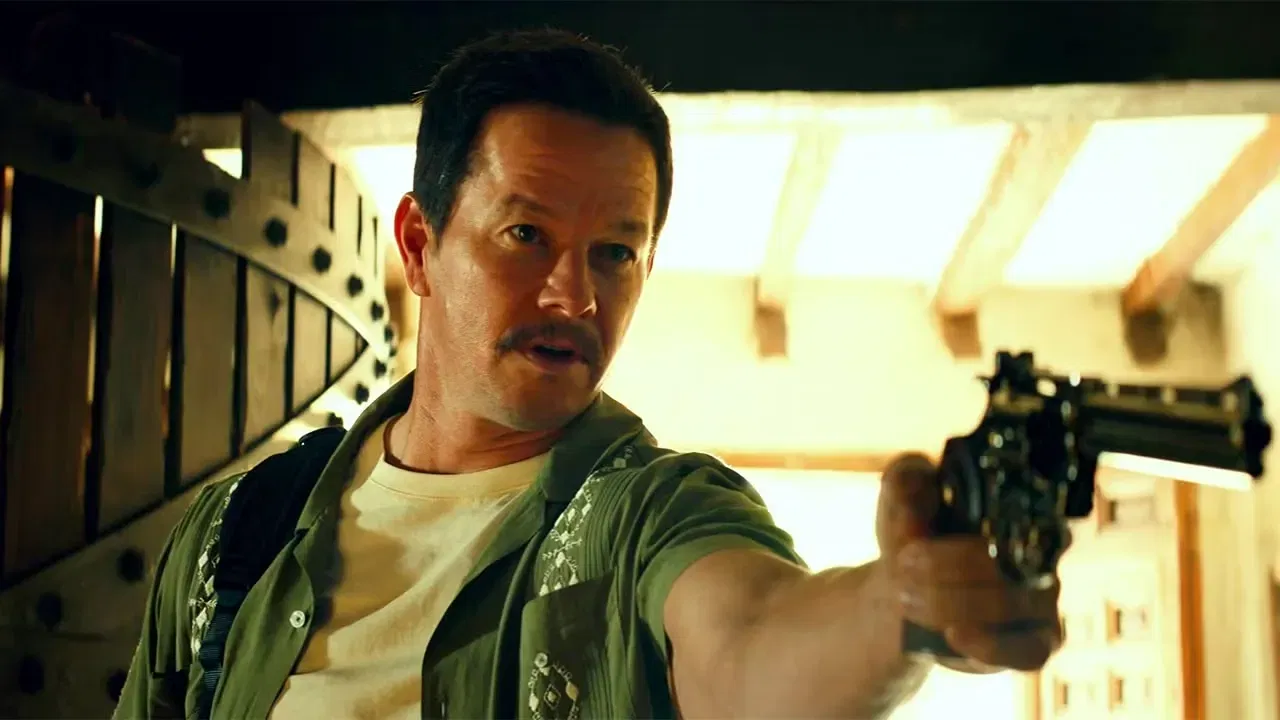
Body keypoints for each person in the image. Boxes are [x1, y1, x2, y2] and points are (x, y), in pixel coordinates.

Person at [114, 28, 1063, 720]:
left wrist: (895, 610)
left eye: (615, 252)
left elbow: (750, 641)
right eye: (526, 234)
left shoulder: (650, 516)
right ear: (420, 242)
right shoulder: (236, 533)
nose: (574, 295)